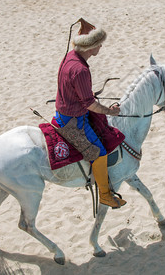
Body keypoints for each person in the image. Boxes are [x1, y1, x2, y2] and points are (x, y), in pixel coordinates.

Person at [55, 18, 127, 209]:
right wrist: (110, 111)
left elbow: (77, 92)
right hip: (73, 120)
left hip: (63, 110)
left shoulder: (70, 57)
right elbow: (88, 104)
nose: (101, 47)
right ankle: (105, 195)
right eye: (99, 44)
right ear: (91, 47)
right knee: (99, 152)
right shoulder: (81, 70)